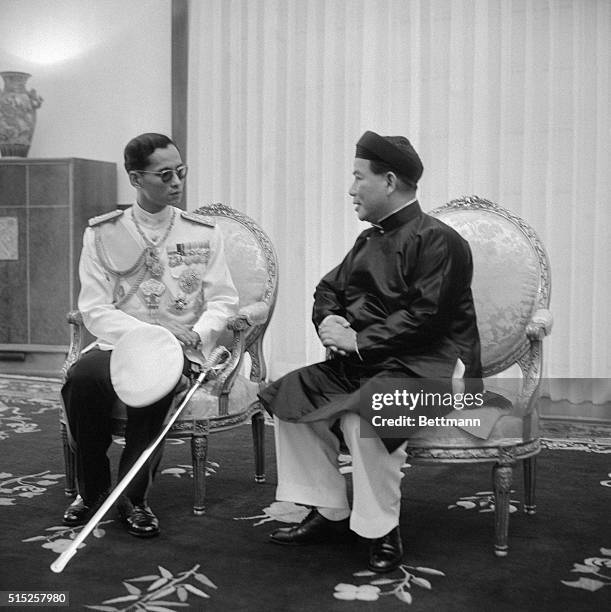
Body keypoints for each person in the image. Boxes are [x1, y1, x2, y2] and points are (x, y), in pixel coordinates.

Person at [259, 130, 482, 572]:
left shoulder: (441, 241)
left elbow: (428, 317)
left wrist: (359, 340)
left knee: (367, 413)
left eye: (359, 177)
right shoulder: (367, 240)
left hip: (426, 371)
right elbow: (328, 288)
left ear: (390, 180)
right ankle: (329, 511)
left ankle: (382, 529)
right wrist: (329, 319)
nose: (350, 188)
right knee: (290, 395)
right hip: (366, 365)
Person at [61, 132, 238, 537]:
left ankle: (132, 497)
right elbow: (94, 308)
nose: (177, 182)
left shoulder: (203, 232)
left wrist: (195, 333)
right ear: (136, 179)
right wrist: (154, 331)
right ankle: (92, 491)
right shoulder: (103, 233)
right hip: (119, 344)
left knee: (154, 385)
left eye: (181, 171)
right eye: (165, 175)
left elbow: (224, 301)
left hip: (181, 350)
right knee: (82, 381)